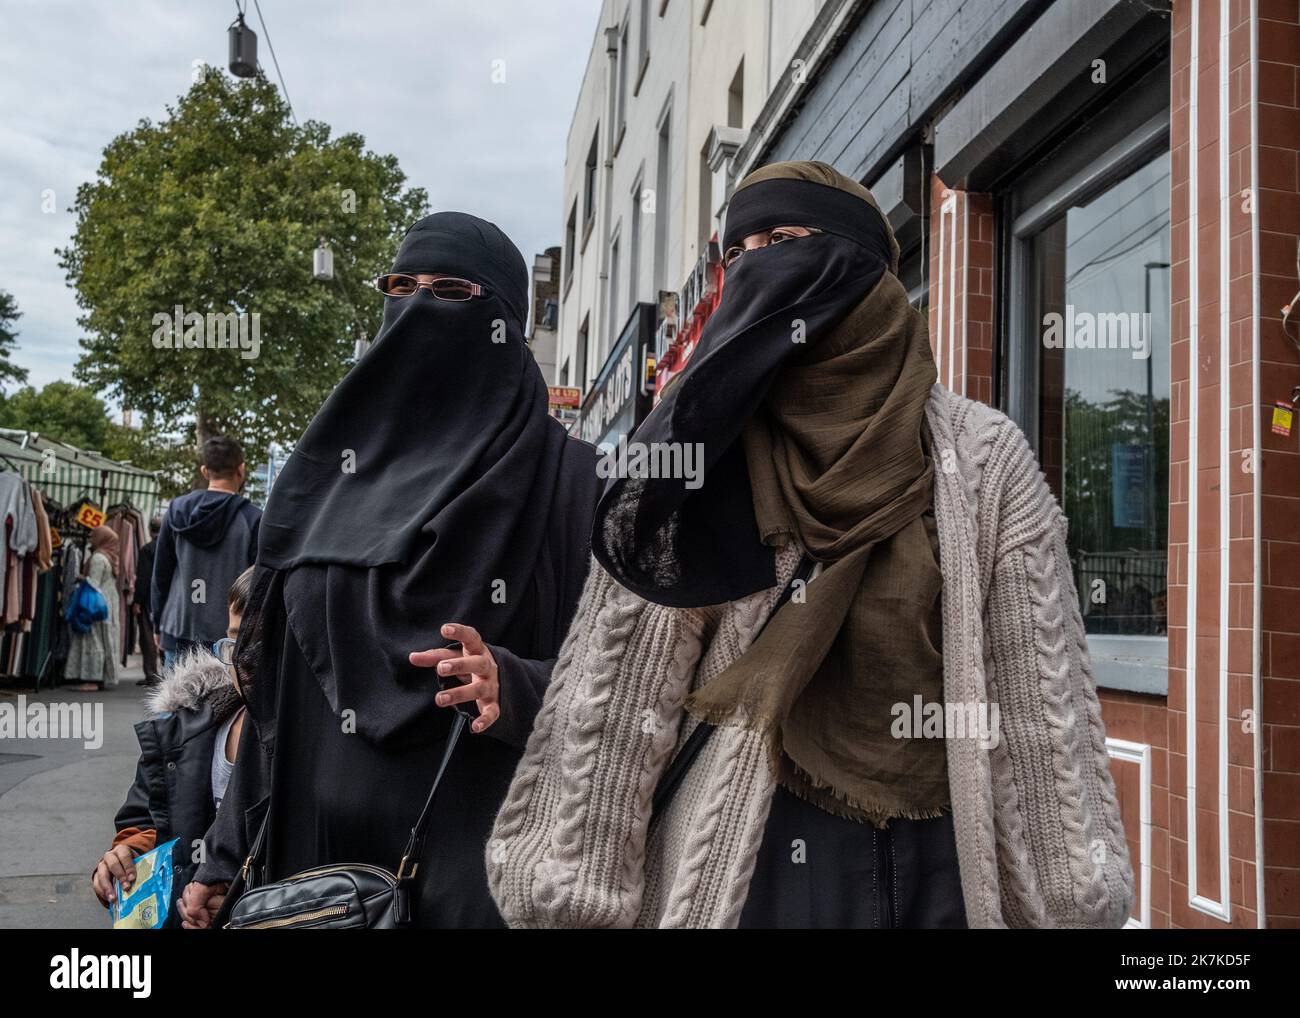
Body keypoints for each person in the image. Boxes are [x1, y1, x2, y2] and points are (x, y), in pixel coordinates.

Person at [487, 161, 1135, 929]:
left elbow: (1034, 690)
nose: (760, 265)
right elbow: (623, 685)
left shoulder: (983, 457)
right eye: (741, 252)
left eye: (786, 239)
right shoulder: (702, 442)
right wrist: (571, 896)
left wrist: (1072, 896)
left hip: (948, 859)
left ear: (862, 270)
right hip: (751, 861)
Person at [178, 211, 600, 929]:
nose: (416, 307)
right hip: (317, 881)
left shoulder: (569, 485)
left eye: (450, 290)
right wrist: (224, 855)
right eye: (401, 286)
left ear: (504, 319)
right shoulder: (324, 479)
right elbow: (278, 695)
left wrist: (516, 683)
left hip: (486, 871)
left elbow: (624, 683)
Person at [91, 566, 254, 925]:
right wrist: (123, 857)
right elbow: (148, 820)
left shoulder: (309, 749)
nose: (242, 660)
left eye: (258, 642)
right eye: (233, 641)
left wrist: (239, 904)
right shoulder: (185, 729)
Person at [151, 436, 261, 671]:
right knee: (223, 706)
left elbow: (161, 572)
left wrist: (157, 623)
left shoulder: (176, 510)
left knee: (175, 703)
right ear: (241, 469)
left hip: (177, 626)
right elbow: (258, 584)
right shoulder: (252, 519)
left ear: (204, 470)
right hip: (228, 637)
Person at [64, 525, 120, 691]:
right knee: (104, 640)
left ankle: (92, 680)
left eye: (94, 536)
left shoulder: (97, 558)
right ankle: (101, 678)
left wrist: (80, 577)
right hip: (108, 603)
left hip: (95, 604)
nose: (91, 539)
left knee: (93, 640)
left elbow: (93, 583)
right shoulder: (110, 557)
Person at [133, 516, 163, 687]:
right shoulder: (171, 547)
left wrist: (137, 601)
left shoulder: (147, 550)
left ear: (150, 531)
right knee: (165, 635)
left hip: (149, 598)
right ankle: (167, 671)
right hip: (167, 598)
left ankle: (151, 674)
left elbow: (143, 577)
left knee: (147, 635)